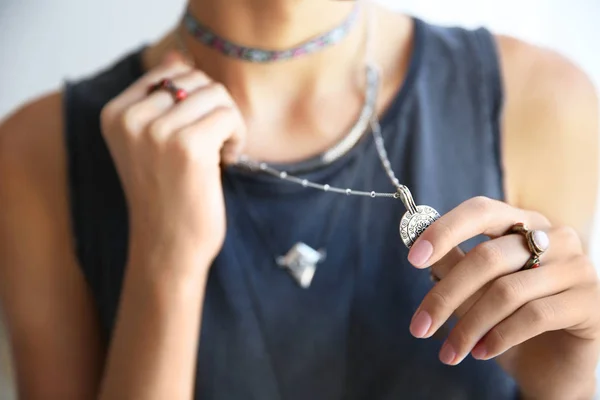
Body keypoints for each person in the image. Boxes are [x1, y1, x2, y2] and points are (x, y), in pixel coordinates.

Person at [0, 0, 598, 398]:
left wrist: (565, 389)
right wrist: (166, 262)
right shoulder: (36, 156)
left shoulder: (542, 103)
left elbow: (547, 364)